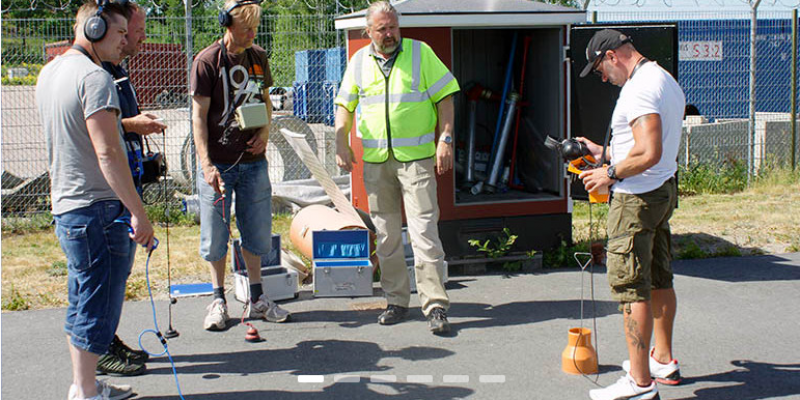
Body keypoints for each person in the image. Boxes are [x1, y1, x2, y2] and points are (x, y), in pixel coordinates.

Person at [36, 1, 156, 399]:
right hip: (99, 210)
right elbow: (108, 152)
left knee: (81, 299)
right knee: (97, 306)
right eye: (120, 34)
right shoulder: (95, 78)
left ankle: (85, 384)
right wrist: (138, 213)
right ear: (94, 28)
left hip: (68, 208)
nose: (125, 42)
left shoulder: (50, 72)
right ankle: (85, 392)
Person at [334, 1, 459, 335]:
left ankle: (434, 306)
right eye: (381, 29)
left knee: (424, 233)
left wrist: (445, 138)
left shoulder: (421, 53)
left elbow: (445, 97)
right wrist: (340, 141)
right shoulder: (359, 60)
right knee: (387, 237)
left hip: (416, 161)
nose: (389, 34)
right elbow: (345, 105)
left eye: (392, 27)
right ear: (368, 31)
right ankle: (396, 302)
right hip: (376, 165)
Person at [576, 29, 685, 400]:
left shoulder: (638, 89)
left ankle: (640, 384)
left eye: (600, 70)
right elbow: (651, 148)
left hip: (635, 199)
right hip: (660, 191)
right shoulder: (663, 79)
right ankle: (663, 360)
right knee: (658, 276)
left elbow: (648, 150)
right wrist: (602, 152)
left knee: (630, 287)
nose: (603, 78)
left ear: (611, 56)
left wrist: (607, 174)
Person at [190, 0, 290, 331]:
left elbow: (265, 102)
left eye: (255, 28)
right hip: (218, 165)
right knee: (216, 234)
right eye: (247, 28)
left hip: (253, 163)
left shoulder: (258, 57)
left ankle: (258, 297)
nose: (252, 34)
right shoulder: (206, 62)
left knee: (258, 231)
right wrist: (206, 165)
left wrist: (264, 133)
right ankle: (218, 298)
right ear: (227, 24)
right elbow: (198, 118)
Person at [95, 3, 167, 377]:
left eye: (134, 32)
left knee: (119, 272)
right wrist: (131, 125)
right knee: (105, 274)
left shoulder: (118, 70)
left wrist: (137, 130)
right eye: (132, 32)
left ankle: (107, 338)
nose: (137, 38)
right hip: (105, 196)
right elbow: (97, 131)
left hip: (127, 182)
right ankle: (99, 350)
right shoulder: (95, 74)